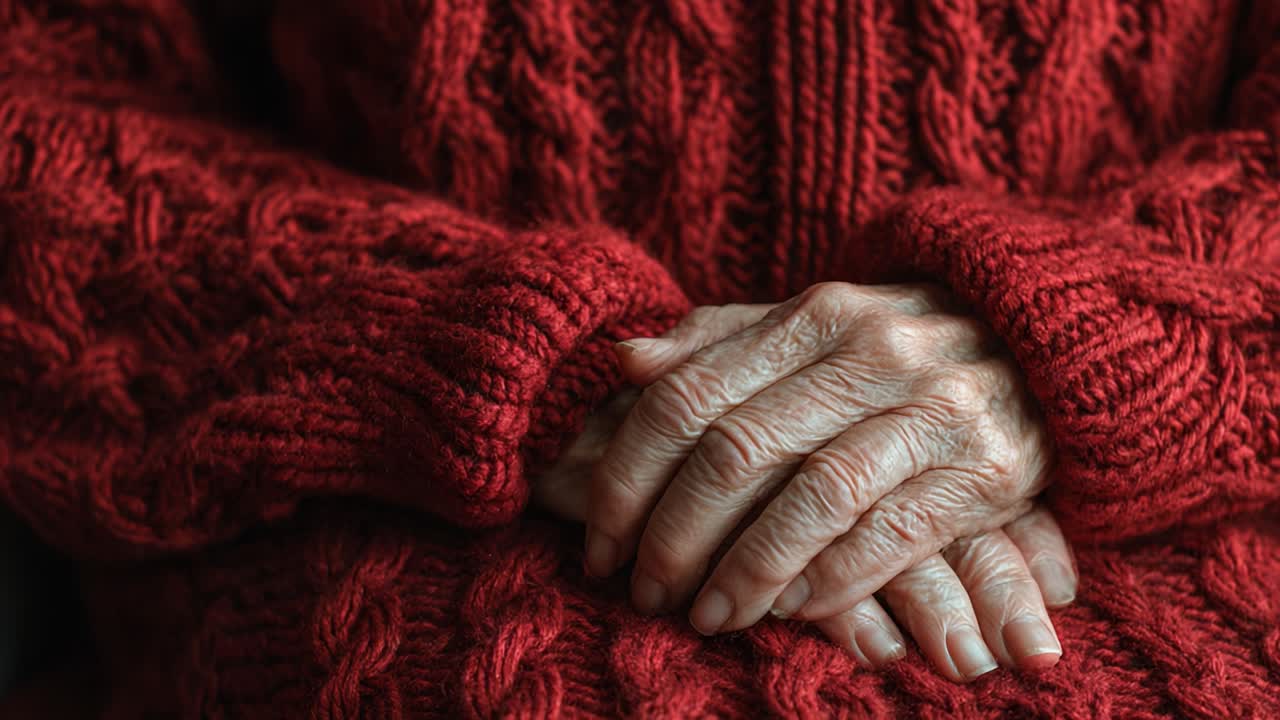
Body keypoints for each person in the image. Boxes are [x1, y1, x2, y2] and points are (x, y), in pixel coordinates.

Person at [0, 0, 1276, 716]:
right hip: (411, 497)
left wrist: (1093, 339)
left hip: (1131, 499)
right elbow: (44, 112)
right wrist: (515, 356)